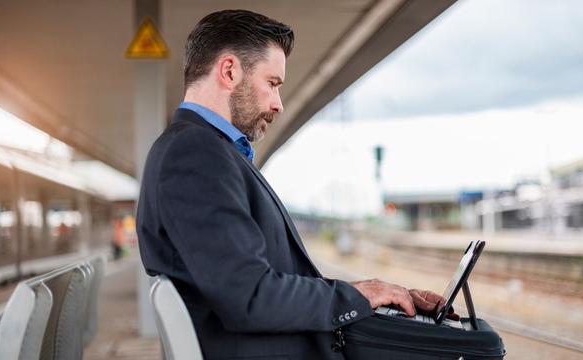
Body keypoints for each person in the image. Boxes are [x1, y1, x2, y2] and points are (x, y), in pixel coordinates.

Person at [137, 9, 450, 360]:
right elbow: (249, 297)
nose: (278, 104)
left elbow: (258, 282)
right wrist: (359, 297)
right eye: (272, 83)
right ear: (229, 71)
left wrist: (370, 293)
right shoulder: (195, 153)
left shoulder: (207, 150)